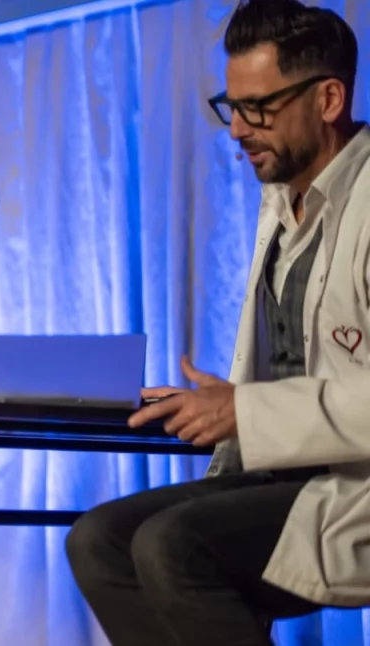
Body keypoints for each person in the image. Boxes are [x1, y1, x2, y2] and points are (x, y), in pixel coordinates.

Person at [64, 1, 370, 645]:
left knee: (174, 546)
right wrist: (208, 408)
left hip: (352, 487)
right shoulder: (282, 202)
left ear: (328, 99)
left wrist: (246, 413)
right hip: (285, 476)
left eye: (257, 107)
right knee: (97, 541)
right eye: (231, 107)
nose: (236, 129)